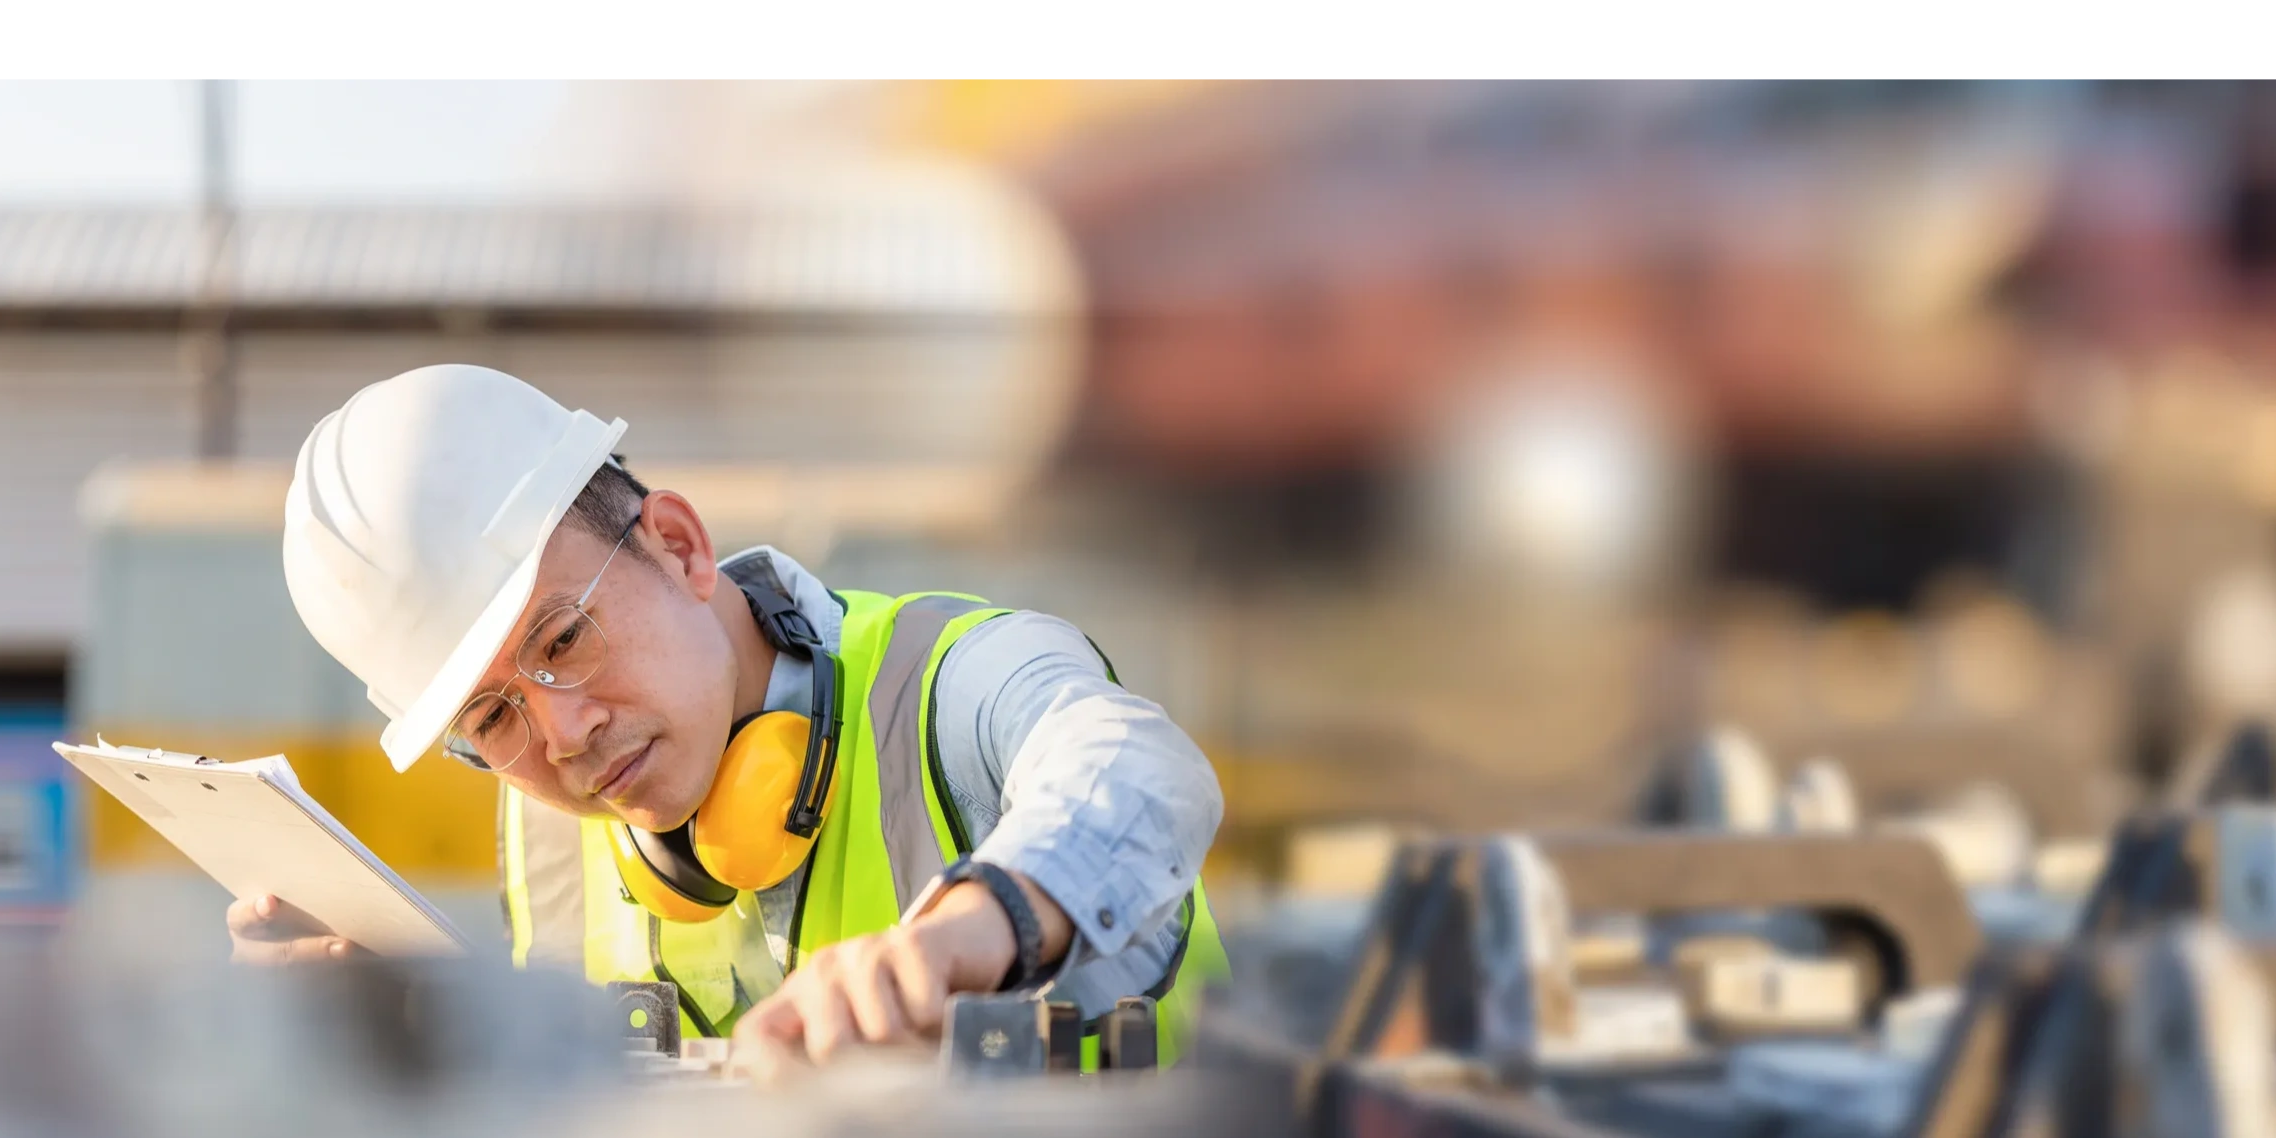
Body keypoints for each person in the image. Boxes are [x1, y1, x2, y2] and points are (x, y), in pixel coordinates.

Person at [226, 363, 1229, 1067]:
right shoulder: (547, 844)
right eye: (492, 718)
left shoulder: (951, 685)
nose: (563, 738)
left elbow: (1143, 770)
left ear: (677, 545)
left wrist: (960, 935)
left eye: (563, 639)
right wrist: (422, 1043)